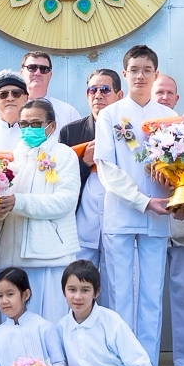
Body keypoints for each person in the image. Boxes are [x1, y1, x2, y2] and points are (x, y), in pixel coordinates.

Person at [93, 46, 175, 366]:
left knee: (152, 298)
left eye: (147, 69)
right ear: (124, 74)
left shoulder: (168, 116)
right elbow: (107, 168)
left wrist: (177, 194)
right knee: (120, 298)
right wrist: (142, 201)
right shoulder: (110, 115)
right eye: (134, 70)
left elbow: (179, 164)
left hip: (159, 215)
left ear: (156, 74)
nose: (140, 75)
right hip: (121, 215)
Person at [0, 96, 79, 323]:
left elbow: (65, 201)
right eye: (23, 124)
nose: (28, 129)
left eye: (35, 124)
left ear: (51, 126)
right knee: (15, 325)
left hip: (50, 256)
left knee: (50, 324)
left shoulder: (64, 155)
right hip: (14, 257)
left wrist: (19, 202)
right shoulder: (12, 157)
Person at [152, 71, 184, 366]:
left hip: (181, 224)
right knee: (146, 297)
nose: (164, 97)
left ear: (177, 98)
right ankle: (145, 365)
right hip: (147, 224)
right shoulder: (135, 131)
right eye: (159, 92)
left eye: (169, 93)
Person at [60, 68, 118, 270]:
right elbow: (59, 179)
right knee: (79, 279)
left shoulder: (128, 130)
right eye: (92, 90)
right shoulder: (71, 132)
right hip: (82, 223)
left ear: (119, 95)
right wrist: (84, 163)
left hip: (119, 220)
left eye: (105, 89)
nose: (98, 95)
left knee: (119, 283)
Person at [20, 51, 82, 128]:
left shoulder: (68, 113)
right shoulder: (10, 110)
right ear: (22, 72)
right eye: (32, 68)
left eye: (44, 69)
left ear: (50, 74)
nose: (38, 73)